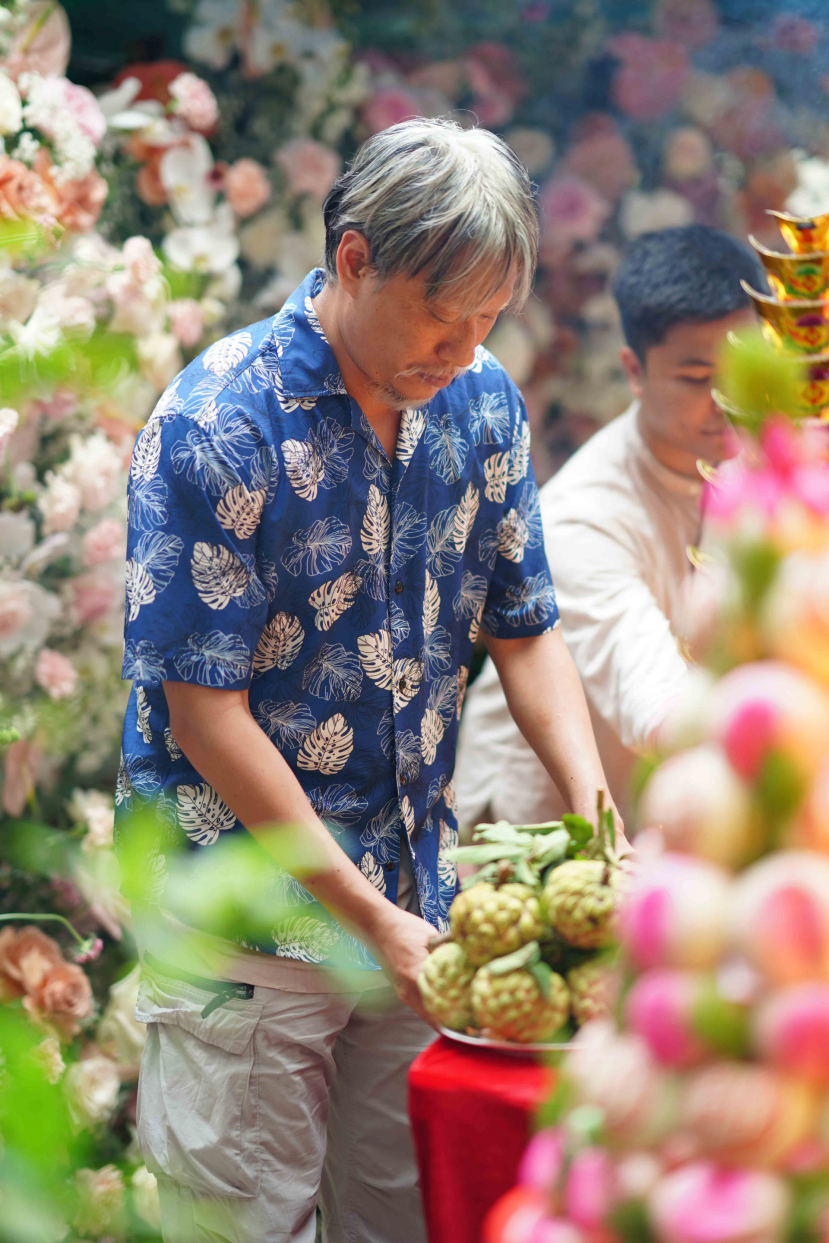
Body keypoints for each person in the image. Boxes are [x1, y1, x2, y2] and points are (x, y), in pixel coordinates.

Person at [117, 117, 619, 1243]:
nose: (465, 346)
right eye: (442, 314)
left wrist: (593, 810)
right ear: (353, 260)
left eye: (490, 316)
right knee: (246, 1224)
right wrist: (370, 917)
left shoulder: (481, 401)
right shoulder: (218, 422)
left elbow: (524, 623)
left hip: (412, 901)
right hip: (244, 922)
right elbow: (205, 714)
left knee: (407, 1219)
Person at [455, 224, 764, 836]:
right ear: (635, 370)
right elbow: (660, 711)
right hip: (533, 831)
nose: (727, 400)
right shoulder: (582, 517)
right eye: (698, 378)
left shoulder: (767, 466)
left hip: (667, 809)